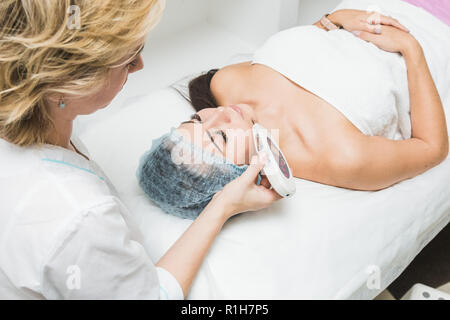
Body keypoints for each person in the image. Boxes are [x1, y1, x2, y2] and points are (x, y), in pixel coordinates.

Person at [0, 0, 281, 299]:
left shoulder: (48, 116)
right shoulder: (78, 220)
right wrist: (224, 206)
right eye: (128, 60)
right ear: (69, 82)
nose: (140, 66)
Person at [138, 8, 448, 219]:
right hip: (438, 33)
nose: (217, 114)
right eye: (218, 136)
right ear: (239, 174)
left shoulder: (225, 82)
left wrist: (333, 20)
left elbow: (306, 53)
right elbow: (431, 147)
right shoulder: (341, 158)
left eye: (196, 120)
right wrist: (411, 49)